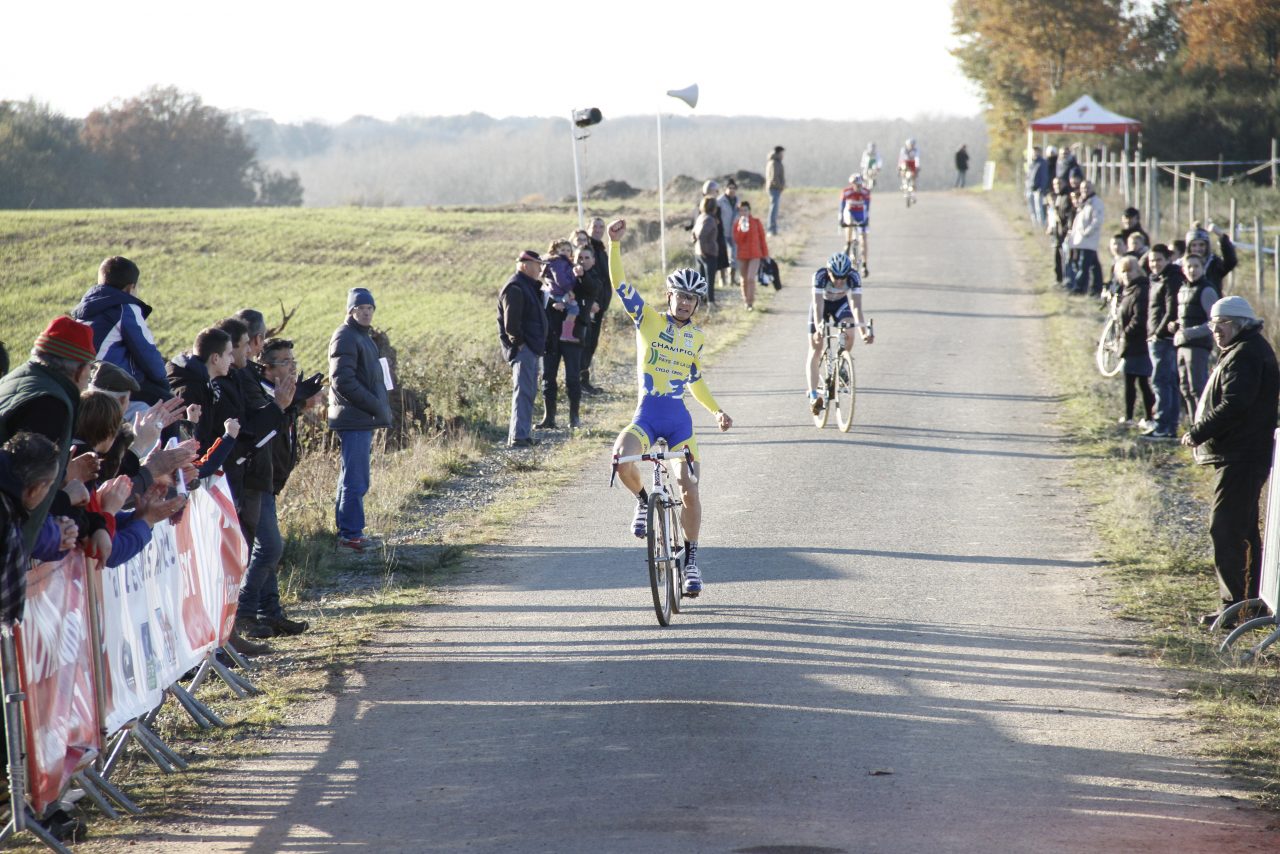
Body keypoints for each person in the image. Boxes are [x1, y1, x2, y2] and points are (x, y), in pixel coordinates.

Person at [606, 219, 732, 597]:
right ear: (669, 296)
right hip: (647, 415)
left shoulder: (696, 336)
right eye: (679, 296)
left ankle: (691, 559)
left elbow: (694, 379)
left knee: (689, 486)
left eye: (691, 299)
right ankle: (644, 503)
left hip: (679, 421)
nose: (684, 302)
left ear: (697, 304)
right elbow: (619, 285)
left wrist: (715, 411)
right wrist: (613, 245)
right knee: (620, 458)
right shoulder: (648, 320)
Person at [1181, 296, 1280, 628]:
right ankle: (1246, 606)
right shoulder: (1244, 350)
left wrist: (1198, 432)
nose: (1215, 332)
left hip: (1243, 454)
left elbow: (1235, 405)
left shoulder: (1246, 354)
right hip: (1242, 454)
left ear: (1239, 323)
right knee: (1242, 529)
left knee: (1225, 528)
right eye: (1212, 325)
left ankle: (1237, 607)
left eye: (1220, 325)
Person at [239, 337, 320, 639]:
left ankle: (270, 613)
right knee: (270, 547)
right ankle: (244, 612)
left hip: (270, 482)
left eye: (293, 361)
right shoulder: (260, 393)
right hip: (255, 482)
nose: (293, 367)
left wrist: (296, 403)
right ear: (267, 368)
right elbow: (263, 430)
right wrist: (289, 405)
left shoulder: (279, 393)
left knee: (267, 549)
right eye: (286, 362)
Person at [0, 316, 97, 549]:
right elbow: (25, 485)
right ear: (80, 370)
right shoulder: (51, 404)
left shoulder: (15, 380)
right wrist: (64, 502)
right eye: (90, 369)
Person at [328, 287, 392, 552]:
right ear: (350, 311)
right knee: (356, 479)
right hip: (354, 418)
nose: (366, 313)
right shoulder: (345, 337)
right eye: (360, 309)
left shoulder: (363, 337)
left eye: (369, 309)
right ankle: (351, 535)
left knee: (351, 477)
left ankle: (347, 532)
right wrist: (375, 404)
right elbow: (343, 381)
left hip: (360, 417)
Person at [71, 256, 172, 414]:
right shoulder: (125, 308)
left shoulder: (85, 309)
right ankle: (172, 440)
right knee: (168, 404)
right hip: (109, 383)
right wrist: (164, 384)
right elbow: (147, 352)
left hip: (83, 381)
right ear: (131, 288)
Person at [807, 252, 874, 413]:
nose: (838, 281)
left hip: (840, 304)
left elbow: (856, 306)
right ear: (828, 272)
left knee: (850, 331)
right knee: (816, 346)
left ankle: (842, 362)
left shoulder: (854, 277)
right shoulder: (820, 276)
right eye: (835, 277)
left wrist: (864, 331)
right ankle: (813, 394)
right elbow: (817, 305)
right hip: (821, 305)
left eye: (842, 278)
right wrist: (819, 326)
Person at [539, 243, 594, 431]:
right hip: (551, 336)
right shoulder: (549, 276)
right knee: (548, 376)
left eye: (568, 252)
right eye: (561, 251)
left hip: (573, 337)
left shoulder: (581, 279)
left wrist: (581, 276)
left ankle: (574, 417)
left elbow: (593, 291)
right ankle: (549, 417)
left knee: (572, 378)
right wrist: (553, 305)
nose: (565, 255)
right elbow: (541, 301)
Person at [498, 250, 549, 447]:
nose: (540, 268)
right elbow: (512, 326)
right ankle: (518, 437)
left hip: (530, 348)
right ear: (525, 265)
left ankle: (522, 434)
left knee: (527, 392)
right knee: (523, 392)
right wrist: (521, 344)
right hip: (523, 349)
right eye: (537, 264)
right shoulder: (515, 288)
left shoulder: (525, 286)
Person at [1142, 244, 1184, 440]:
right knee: (1165, 382)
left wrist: (1157, 334)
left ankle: (1164, 425)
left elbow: (1171, 310)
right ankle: (1164, 424)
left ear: (1169, 259)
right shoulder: (1157, 278)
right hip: (1156, 337)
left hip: (1163, 339)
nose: (1154, 264)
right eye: (1151, 260)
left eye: (1159, 259)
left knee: (1162, 382)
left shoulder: (1171, 279)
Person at [1172, 253, 1220, 422]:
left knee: (1197, 388)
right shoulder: (1183, 289)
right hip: (1181, 344)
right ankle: (1194, 426)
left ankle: (1204, 427)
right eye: (1189, 266)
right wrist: (1175, 325)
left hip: (1198, 346)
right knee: (1185, 388)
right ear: (1183, 269)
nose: (1192, 270)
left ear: (1202, 268)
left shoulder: (1207, 289)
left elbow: (1214, 322)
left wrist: (1190, 332)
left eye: (1196, 266)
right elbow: (1185, 316)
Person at [1115, 256, 1154, 428]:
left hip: (1139, 343)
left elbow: (1140, 318)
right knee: (1130, 381)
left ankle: (1149, 418)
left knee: (1142, 382)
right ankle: (1129, 416)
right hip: (1131, 343)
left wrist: (1125, 333)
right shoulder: (1128, 290)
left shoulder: (1141, 289)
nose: (1126, 274)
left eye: (1129, 270)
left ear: (1138, 270)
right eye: (1123, 271)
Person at [580, 218, 612, 395]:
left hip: (599, 306)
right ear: (588, 228)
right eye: (595, 226)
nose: (599, 229)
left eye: (601, 227)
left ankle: (584, 381)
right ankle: (581, 382)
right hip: (590, 306)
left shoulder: (600, 249)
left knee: (591, 344)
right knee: (586, 344)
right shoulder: (587, 249)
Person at [732, 200, 770, 311]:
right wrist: (741, 228)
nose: (743, 212)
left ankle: (750, 302)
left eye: (745, 210)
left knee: (751, 278)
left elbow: (762, 239)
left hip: (755, 254)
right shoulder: (737, 224)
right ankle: (746, 301)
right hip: (742, 255)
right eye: (741, 210)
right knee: (743, 279)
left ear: (749, 211)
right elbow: (737, 240)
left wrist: (765, 254)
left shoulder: (756, 222)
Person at [1068, 179, 1104, 296]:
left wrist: (1086, 232)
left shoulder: (1096, 202)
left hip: (1088, 240)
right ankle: (1096, 288)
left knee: (1084, 265)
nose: (1085, 190)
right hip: (1080, 240)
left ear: (1092, 188)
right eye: (1083, 188)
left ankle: (1080, 288)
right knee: (1094, 266)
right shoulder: (1084, 202)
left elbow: (1097, 221)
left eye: (1087, 188)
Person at [541, 240, 580, 344]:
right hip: (559, 293)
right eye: (562, 250)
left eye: (568, 250)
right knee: (574, 308)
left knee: (572, 307)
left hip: (560, 292)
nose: (566, 252)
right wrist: (569, 290)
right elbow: (560, 279)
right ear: (555, 251)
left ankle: (566, 333)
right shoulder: (558, 262)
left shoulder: (564, 262)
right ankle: (566, 334)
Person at [1185, 222, 1237, 292]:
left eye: (1201, 245)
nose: (1197, 249)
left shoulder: (1214, 264)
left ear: (1207, 246)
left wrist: (1222, 237)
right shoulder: (1181, 266)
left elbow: (1231, 261)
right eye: (1194, 245)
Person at [839, 174, 872, 276]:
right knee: (849, 222)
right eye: (856, 184)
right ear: (852, 184)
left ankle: (865, 266)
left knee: (863, 240)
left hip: (861, 214)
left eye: (860, 184)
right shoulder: (846, 192)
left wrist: (866, 221)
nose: (858, 187)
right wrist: (841, 220)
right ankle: (848, 243)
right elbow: (842, 208)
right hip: (850, 212)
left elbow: (867, 209)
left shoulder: (866, 192)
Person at [1046, 176, 1073, 287]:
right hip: (1057, 233)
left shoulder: (1066, 197)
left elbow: (1068, 216)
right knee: (1057, 257)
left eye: (1059, 184)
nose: (1057, 186)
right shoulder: (1058, 197)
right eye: (1055, 184)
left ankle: (1066, 280)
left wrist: (1066, 230)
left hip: (1064, 233)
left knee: (1065, 258)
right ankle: (1059, 279)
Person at [692, 197, 719, 297]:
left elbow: (694, 233)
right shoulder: (710, 219)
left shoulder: (701, 217)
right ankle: (710, 302)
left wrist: (696, 245)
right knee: (710, 280)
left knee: (701, 281)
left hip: (698, 252)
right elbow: (702, 235)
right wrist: (703, 249)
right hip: (708, 252)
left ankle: (700, 300)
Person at [716, 180, 740, 292]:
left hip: (734, 232)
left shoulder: (738, 201)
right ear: (725, 189)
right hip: (723, 232)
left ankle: (732, 278)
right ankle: (722, 278)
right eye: (729, 188)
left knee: (734, 256)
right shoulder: (720, 201)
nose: (732, 190)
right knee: (723, 256)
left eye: (734, 188)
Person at [1025, 147, 1050, 227]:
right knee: (1031, 208)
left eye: (1036, 152)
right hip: (1030, 189)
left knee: (1038, 208)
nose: (1034, 154)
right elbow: (1028, 177)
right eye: (1033, 152)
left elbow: (1044, 177)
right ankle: (1034, 225)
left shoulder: (1042, 163)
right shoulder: (1031, 163)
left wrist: (1041, 188)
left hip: (1038, 190)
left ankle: (1041, 225)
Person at [765, 146, 785, 235]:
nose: (783, 155)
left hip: (775, 188)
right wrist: (780, 186)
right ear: (778, 153)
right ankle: (771, 229)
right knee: (773, 209)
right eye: (782, 153)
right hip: (774, 188)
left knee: (774, 208)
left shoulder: (775, 162)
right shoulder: (774, 163)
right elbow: (774, 177)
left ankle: (773, 229)